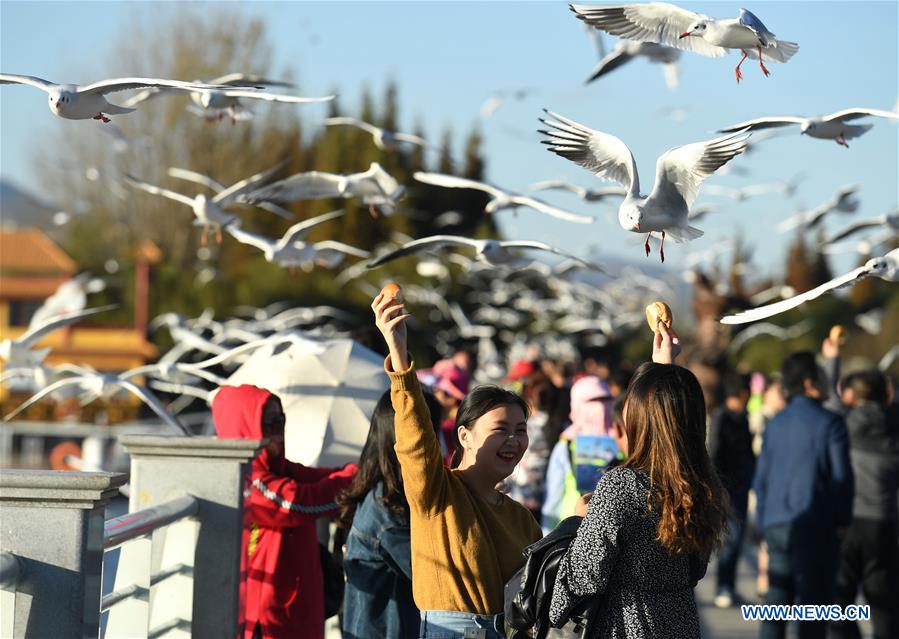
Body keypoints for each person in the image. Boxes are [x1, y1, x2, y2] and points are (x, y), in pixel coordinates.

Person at [372, 291, 543, 639]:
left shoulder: (521, 518)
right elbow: (415, 440)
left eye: (520, 431)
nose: (513, 441)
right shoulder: (437, 492)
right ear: (464, 436)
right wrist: (400, 357)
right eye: (500, 430)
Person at [548, 323, 729, 638]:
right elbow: (669, 411)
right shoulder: (699, 487)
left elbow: (579, 583)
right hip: (680, 626)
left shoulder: (620, 485)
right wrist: (664, 367)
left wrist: (576, 523)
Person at [212, 385, 358, 639]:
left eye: (281, 420)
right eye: (269, 423)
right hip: (269, 623)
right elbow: (299, 502)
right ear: (245, 427)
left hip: (296, 615)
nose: (279, 431)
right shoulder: (247, 478)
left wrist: (360, 470)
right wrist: (362, 474)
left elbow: (321, 479)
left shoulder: (278, 469)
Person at [753, 352, 853, 639]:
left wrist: (761, 520)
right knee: (813, 606)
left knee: (776, 602)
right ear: (810, 382)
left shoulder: (775, 424)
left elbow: (762, 478)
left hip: (776, 521)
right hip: (816, 523)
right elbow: (841, 478)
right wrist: (842, 520)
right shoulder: (830, 423)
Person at [337, 389, 444, 639]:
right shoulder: (387, 510)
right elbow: (435, 578)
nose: (435, 443)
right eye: (427, 432)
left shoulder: (383, 496)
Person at [830, 370, 899, 639]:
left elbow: (828, 403)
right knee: (884, 603)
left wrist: (832, 359)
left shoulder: (842, 424)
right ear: (887, 394)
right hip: (884, 522)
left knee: (838, 600)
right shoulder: (894, 426)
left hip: (848, 521)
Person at [541, 375, 615, 533]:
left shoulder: (567, 444)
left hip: (573, 533)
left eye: (604, 400)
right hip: (604, 533)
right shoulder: (625, 441)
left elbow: (553, 499)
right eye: (593, 401)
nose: (600, 408)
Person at [708, 372, 756, 608]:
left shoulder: (742, 417)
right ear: (742, 393)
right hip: (727, 488)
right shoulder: (722, 417)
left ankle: (729, 585)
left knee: (737, 540)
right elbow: (714, 451)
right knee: (731, 540)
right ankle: (723, 587)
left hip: (741, 486)